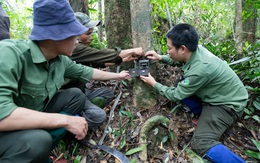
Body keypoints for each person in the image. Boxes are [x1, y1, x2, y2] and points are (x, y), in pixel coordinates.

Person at [0, 0, 130, 162]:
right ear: (57, 36)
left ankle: (41, 150)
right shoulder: (9, 54)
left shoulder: (59, 60)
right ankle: (32, 148)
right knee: (38, 141)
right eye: (74, 35)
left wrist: (119, 76)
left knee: (75, 96)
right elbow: (2, 115)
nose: (77, 41)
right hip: (5, 130)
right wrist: (65, 120)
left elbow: (87, 72)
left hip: (32, 118)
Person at [140, 23, 248, 163]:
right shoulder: (195, 51)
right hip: (219, 94)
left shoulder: (200, 69)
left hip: (227, 105)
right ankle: (203, 114)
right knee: (181, 83)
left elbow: (175, 95)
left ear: (183, 48)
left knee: (201, 143)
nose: (167, 51)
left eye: (169, 48)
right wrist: (160, 58)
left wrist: (153, 83)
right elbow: (181, 62)